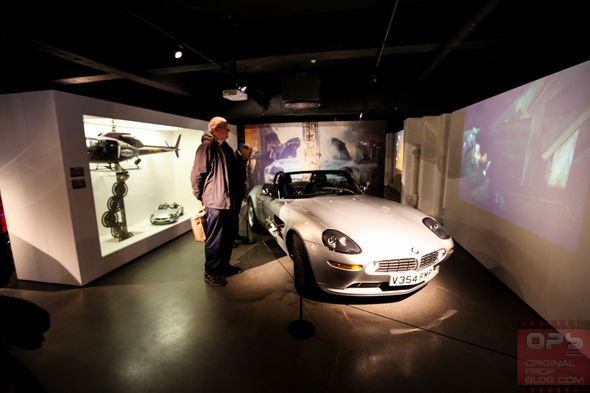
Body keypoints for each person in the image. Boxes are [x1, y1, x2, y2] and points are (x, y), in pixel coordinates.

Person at [190, 117, 242, 287]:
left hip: (229, 200)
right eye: (226, 128)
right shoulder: (206, 147)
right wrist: (200, 197)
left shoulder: (224, 147)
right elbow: (197, 175)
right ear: (216, 128)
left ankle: (223, 266)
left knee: (227, 237)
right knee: (215, 239)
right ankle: (211, 272)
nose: (228, 131)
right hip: (216, 202)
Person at [233, 143, 253, 246]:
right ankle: (231, 238)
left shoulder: (242, 160)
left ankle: (235, 235)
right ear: (243, 151)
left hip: (238, 191)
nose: (250, 155)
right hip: (234, 192)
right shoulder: (234, 159)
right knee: (232, 215)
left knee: (235, 215)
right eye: (249, 153)